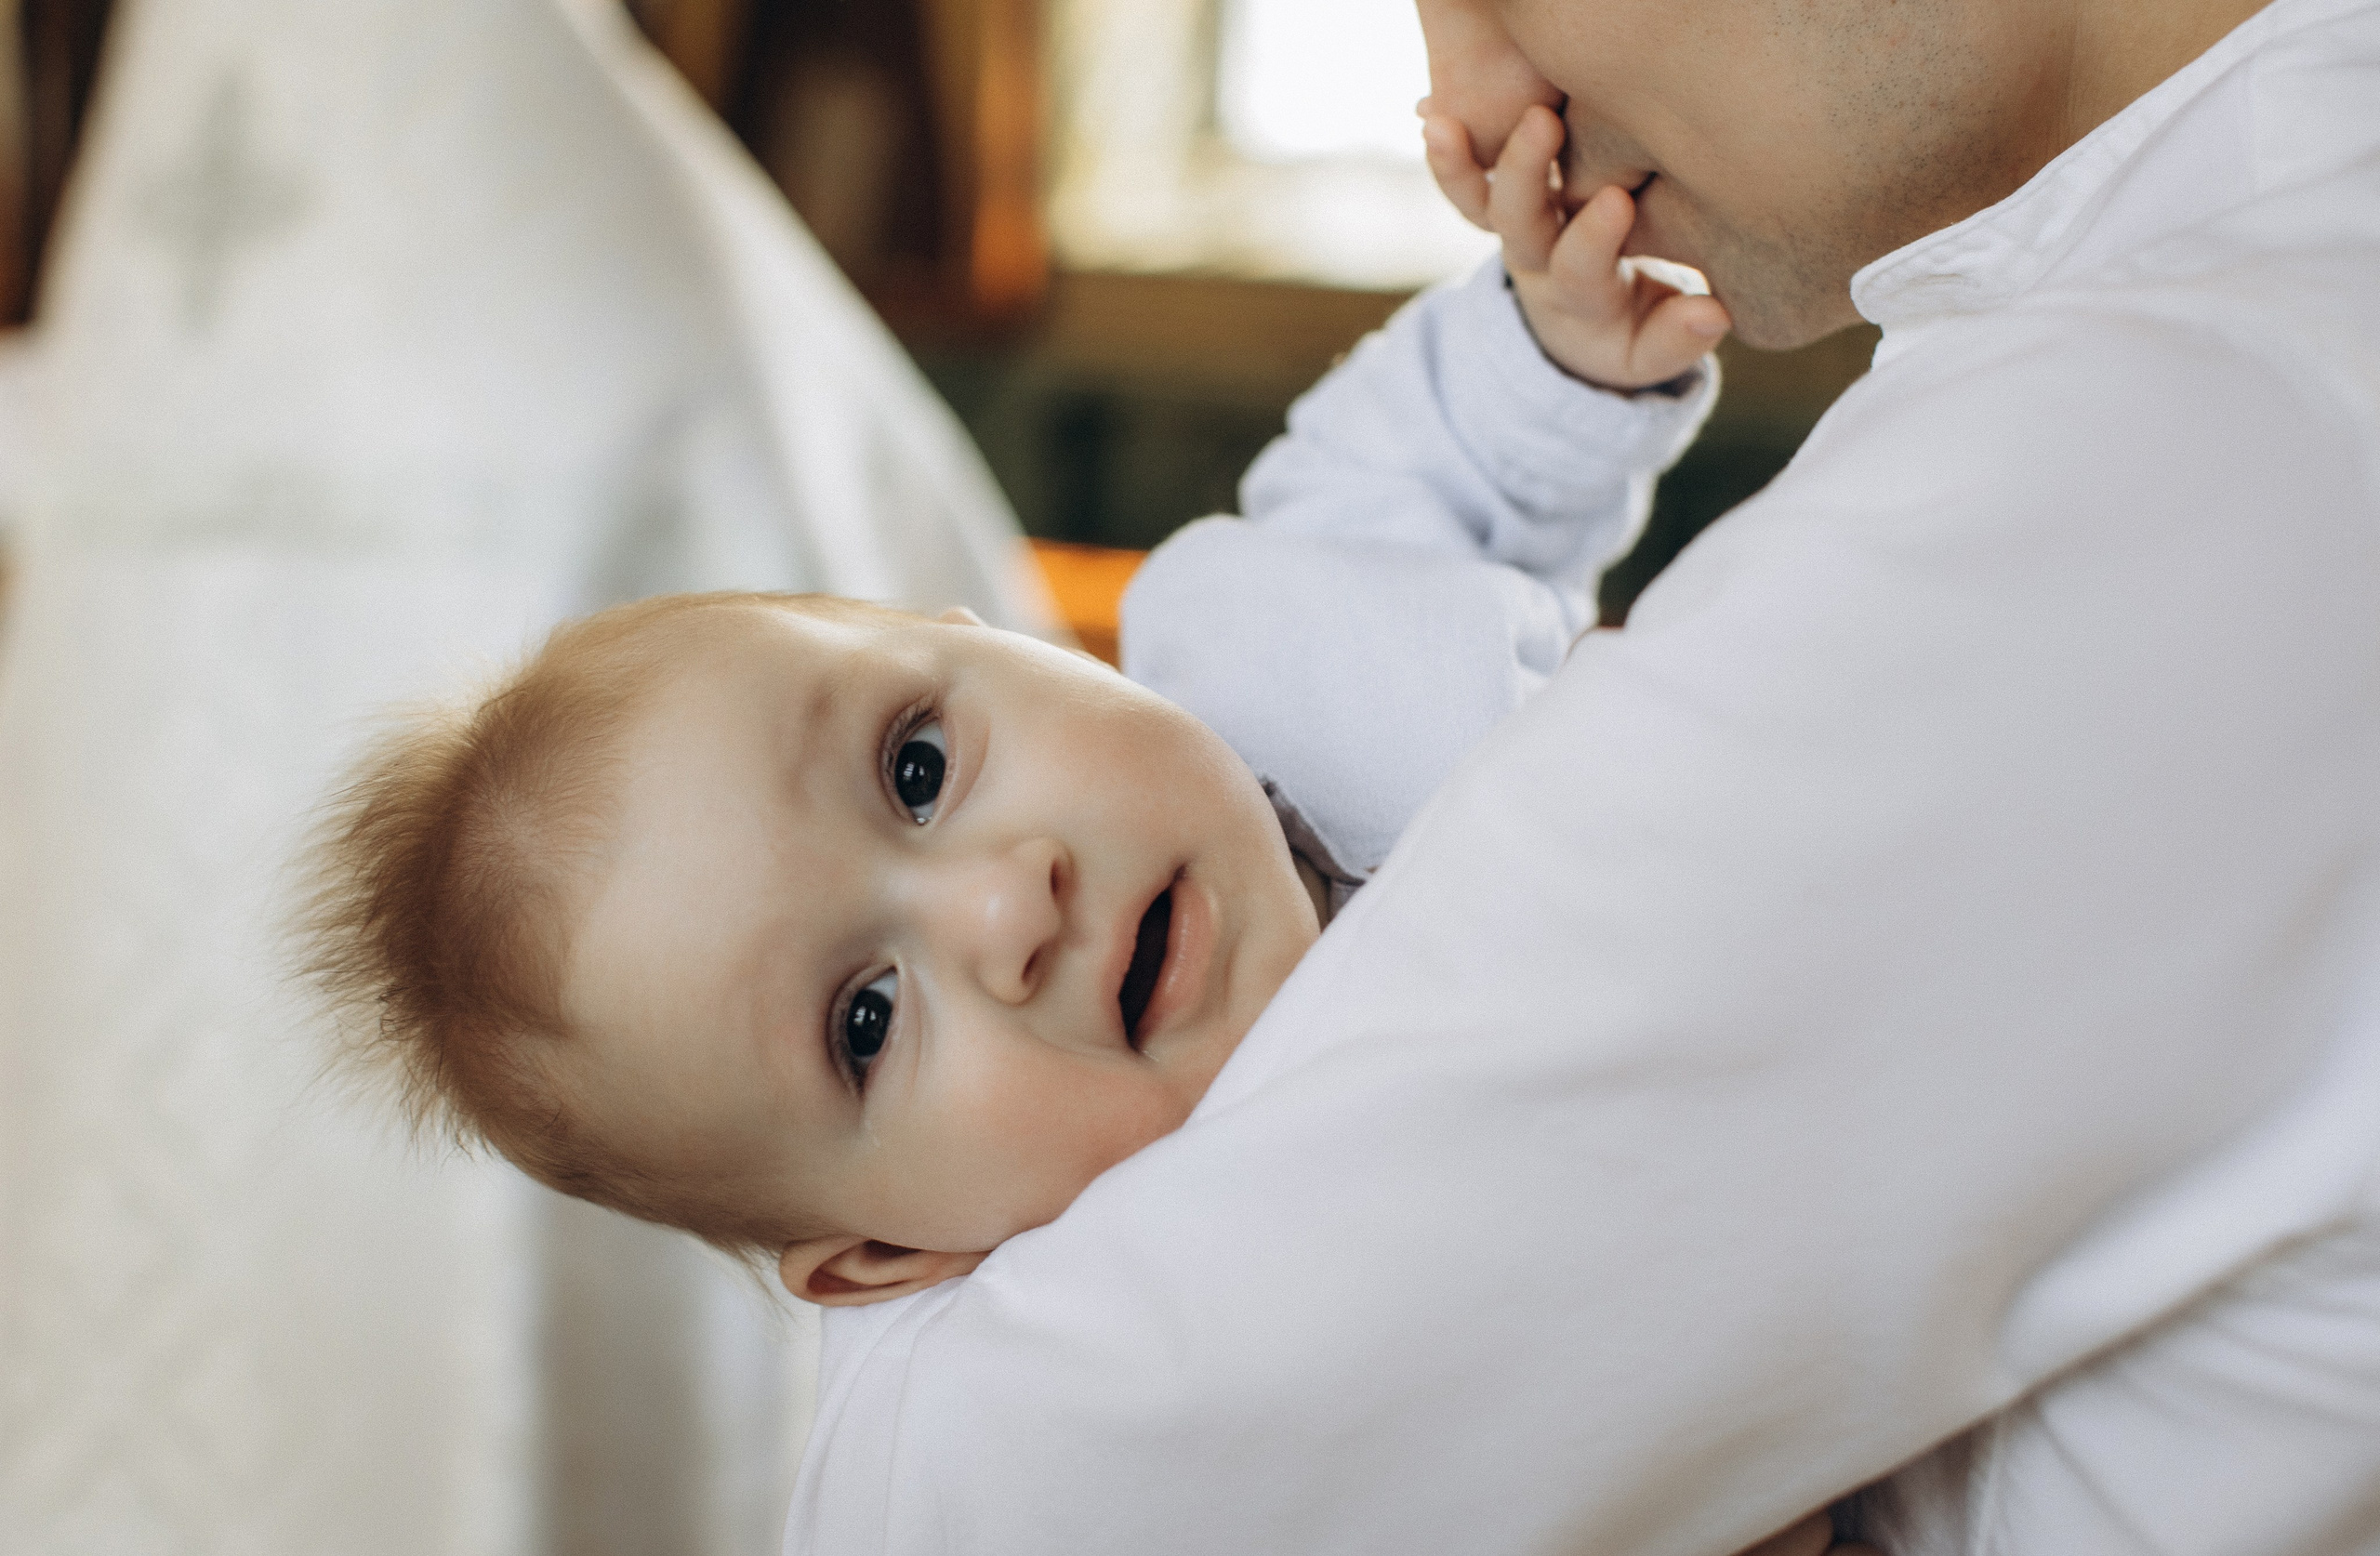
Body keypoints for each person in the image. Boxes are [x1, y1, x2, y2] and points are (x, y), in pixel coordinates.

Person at [781, 0, 2380, 1550]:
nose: (1465, 116)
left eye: (918, 763)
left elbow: (967, 1501)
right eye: (863, 1017)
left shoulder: (2103, 489)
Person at [296, 113, 1722, 1302]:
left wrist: (1554, 346)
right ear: (895, 1251)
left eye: (917, 766)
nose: (1007, 911)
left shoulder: (1260, 635)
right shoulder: (1200, 1312)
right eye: (864, 1020)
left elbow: (1423, 466)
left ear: (971, 635)